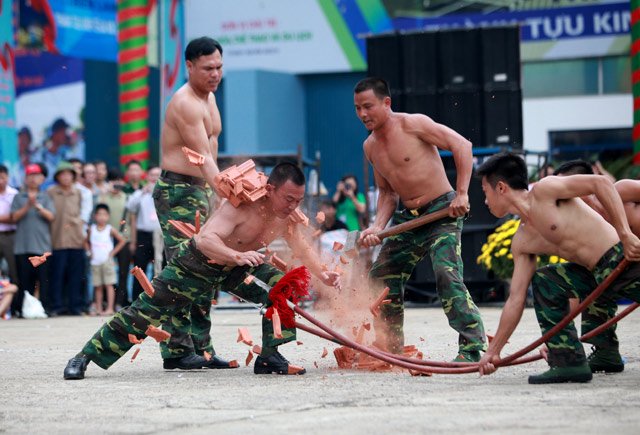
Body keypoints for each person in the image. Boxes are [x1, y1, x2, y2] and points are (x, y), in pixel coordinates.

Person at [63, 162, 341, 380]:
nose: (293, 206)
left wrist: (323, 273)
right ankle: (84, 356)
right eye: (288, 199)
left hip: (236, 266)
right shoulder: (240, 206)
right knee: (147, 310)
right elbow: (206, 240)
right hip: (198, 262)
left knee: (282, 287)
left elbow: (302, 246)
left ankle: (269, 356)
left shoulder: (286, 217)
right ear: (270, 190)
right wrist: (236, 254)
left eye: (298, 200)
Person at [475, 152, 640, 384]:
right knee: (546, 280)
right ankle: (569, 362)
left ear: (501, 188)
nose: (485, 201)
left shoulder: (546, 190)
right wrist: (493, 351)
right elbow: (516, 299)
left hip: (621, 260)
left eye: (485, 192)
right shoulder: (522, 241)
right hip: (594, 277)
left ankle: (603, 353)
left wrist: (625, 234)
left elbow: (601, 183)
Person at [353, 77, 486, 361]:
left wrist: (462, 193)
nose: (363, 114)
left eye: (368, 106)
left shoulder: (413, 124)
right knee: (381, 276)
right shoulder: (369, 146)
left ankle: (472, 347)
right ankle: (391, 347)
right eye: (357, 108)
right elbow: (387, 192)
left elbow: (462, 145)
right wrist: (377, 226)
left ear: (386, 103)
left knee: (445, 272)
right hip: (407, 219)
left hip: (442, 211)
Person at [152, 36, 228, 371]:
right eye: (208, 68)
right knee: (184, 270)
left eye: (219, 67)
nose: (215, 73)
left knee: (207, 269)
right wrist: (230, 193)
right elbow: (202, 160)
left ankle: (202, 347)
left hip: (203, 191)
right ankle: (177, 351)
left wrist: (221, 192)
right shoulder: (185, 102)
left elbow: (214, 156)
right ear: (190, 66)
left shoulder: (209, 98)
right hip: (179, 191)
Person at [10, 163, 55, 316]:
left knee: (44, 281)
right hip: (22, 247)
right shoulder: (18, 196)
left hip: (42, 247)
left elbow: (51, 216)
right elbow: (14, 217)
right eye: (30, 175)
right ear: (26, 178)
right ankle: (24, 310)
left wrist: (38, 206)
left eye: (36, 176)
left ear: (42, 179)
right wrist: (27, 205)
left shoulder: (46, 197)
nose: (33, 179)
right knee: (24, 281)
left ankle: (45, 309)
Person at [47, 161, 85, 316]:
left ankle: (75, 306)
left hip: (76, 239)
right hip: (57, 239)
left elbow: (83, 213)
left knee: (76, 275)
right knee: (57, 275)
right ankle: (57, 306)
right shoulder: (51, 192)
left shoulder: (78, 193)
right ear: (57, 177)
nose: (66, 177)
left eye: (69, 174)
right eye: (63, 174)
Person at [127, 165, 163, 300]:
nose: (155, 178)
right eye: (152, 175)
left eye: (157, 175)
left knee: (160, 267)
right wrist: (143, 192)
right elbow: (130, 206)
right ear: (147, 177)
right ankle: (137, 299)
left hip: (161, 236)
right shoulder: (140, 193)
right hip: (143, 235)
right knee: (140, 266)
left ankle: (158, 298)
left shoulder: (166, 193)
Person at [97, 168, 132, 308]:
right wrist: (105, 192)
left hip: (124, 238)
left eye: (119, 180)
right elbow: (97, 211)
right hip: (106, 240)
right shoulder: (103, 197)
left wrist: (132, 240)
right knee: (105, 271)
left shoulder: (127, 198)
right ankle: (106, 301)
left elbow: (131, 220)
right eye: (113, 180)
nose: (116, 183)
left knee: (123, 272)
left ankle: (120, 302)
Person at [86, 204, 126, 316]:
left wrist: (112, 253)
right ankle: (98, 308)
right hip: (95, 261)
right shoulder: (91, 229)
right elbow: (85, 241)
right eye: (99, 214)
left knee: (109, 285)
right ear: (95, 216)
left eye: (104, 215)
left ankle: (109, 308)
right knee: (97, 286)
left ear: (108, 216)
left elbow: (122, 240)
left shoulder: (110, 229)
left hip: (107, 261)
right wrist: (89, 252)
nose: (102, 217)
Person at [39, 118, 77, 189]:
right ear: (55, 133)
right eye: (62, 132)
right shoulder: (41, 155)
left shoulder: (67, 154)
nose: (64, 135)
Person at [0, 165, 18, 289]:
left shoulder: (15, 194)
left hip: (10, 236)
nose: (0, 181)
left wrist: (10, 218)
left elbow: (15, 217)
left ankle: (15, 306)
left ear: (7, 177)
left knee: (14, 271)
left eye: (2, 177)